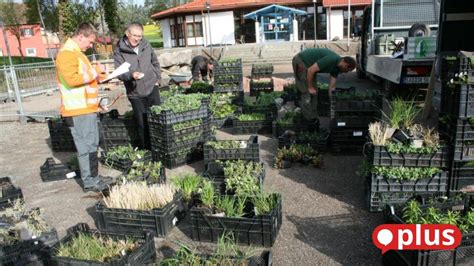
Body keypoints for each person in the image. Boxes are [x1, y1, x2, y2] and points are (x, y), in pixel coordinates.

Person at [56, 22, 113, 192]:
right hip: (78, 110)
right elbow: (72, 79)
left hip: (85, 109)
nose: (90, 46)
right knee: (86, 147)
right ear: (81, 36)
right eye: (89, 42)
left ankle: (93, 177)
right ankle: (89, 181)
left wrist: (100, 75)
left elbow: (85, 78)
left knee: (91, 145)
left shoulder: (76, 53)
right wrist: (95, 72)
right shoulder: (67, 54)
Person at [114, 22, 161, 149]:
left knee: (158, 120)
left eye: (140, 36)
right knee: (142, 124)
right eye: (135, 35)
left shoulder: (146, 44)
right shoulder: (119, 50)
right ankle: (148, 150)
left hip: (152, 87)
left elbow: (155, 62)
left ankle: (160, 147)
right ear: (127, 34)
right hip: (135, 93)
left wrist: (157, 79)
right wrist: (130, 75)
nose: (137, 39)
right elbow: (119, 72)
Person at [292, 48, 356, 121]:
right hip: (301, 61)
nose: (346, 72)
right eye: (347, 69)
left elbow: (332, 87)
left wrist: (332, 102)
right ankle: (307, 121)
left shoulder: (337, 68)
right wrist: (310, 87)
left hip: (310, 68)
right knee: (306, 92)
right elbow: (311, 70)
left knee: (314, 92)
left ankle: (313, 118)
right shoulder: (331, 59)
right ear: (345, 63)